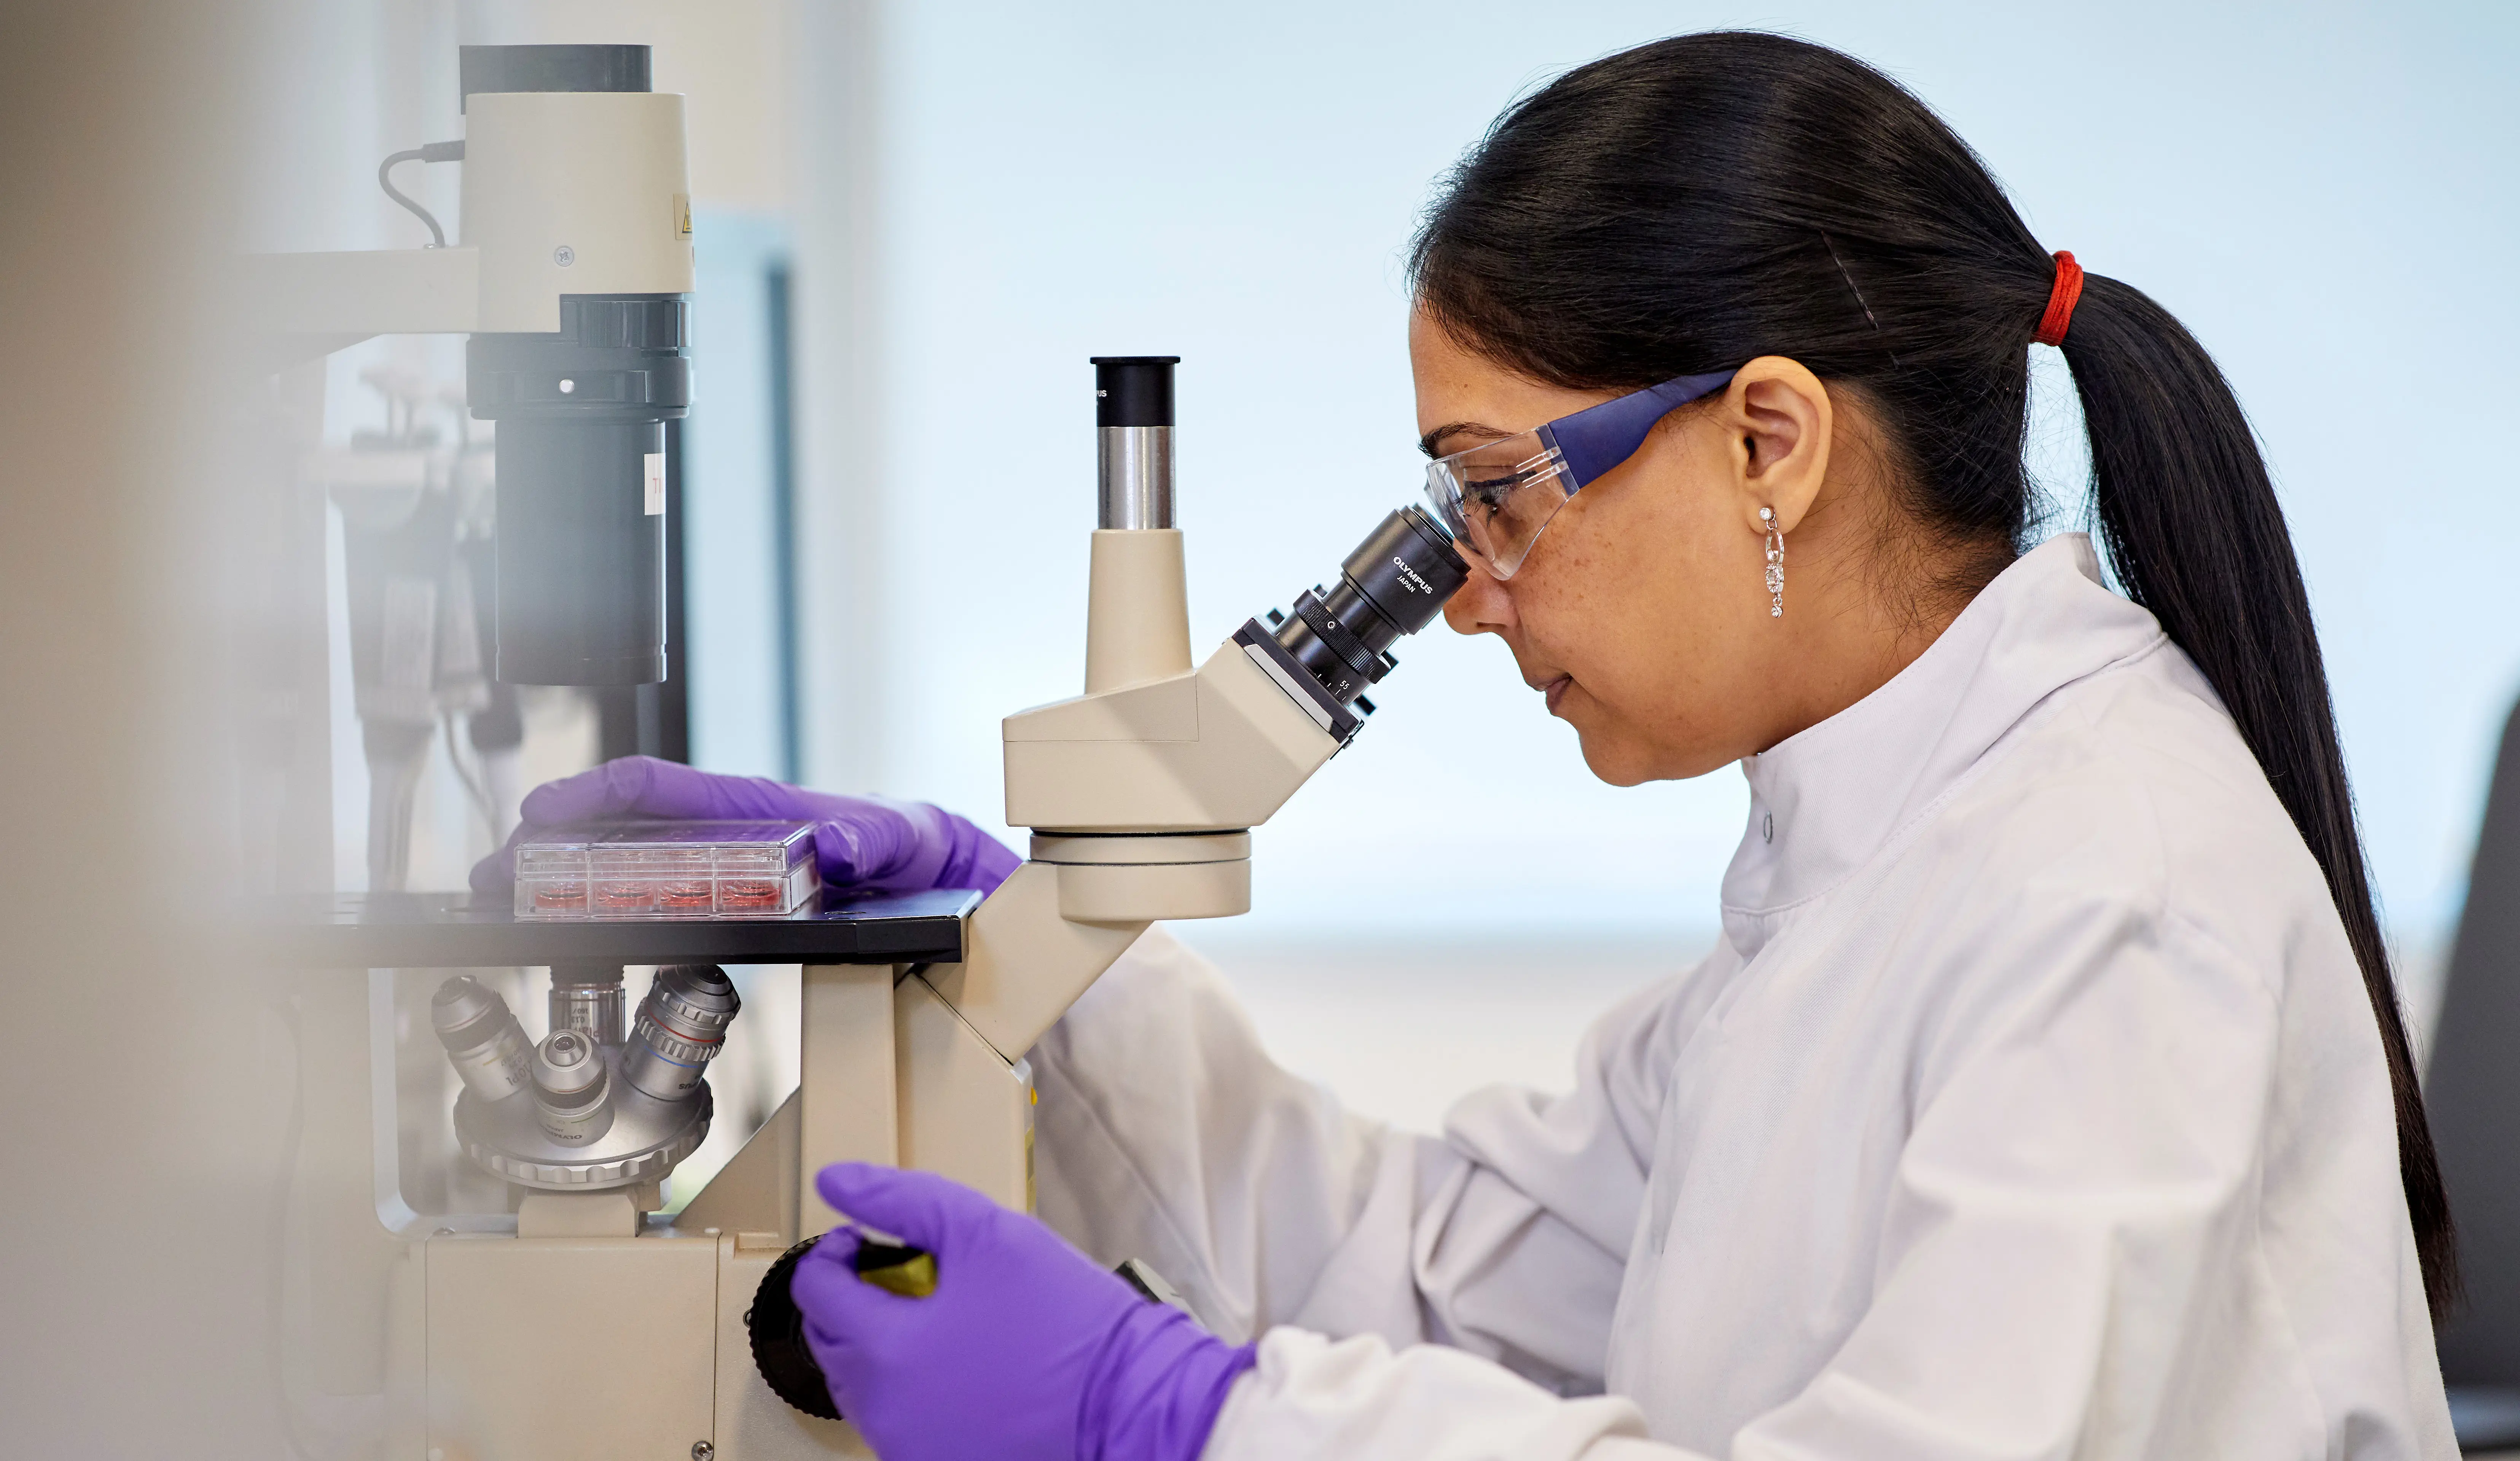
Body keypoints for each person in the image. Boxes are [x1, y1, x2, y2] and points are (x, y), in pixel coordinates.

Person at [478, 31, 2457, 1461]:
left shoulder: (2101, 892)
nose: (1469, 592)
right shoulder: (1865, 849)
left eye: (1497, 494)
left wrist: (1183, 1419)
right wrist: (1021, 948)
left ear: (1769, 438)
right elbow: (1420, 1262)